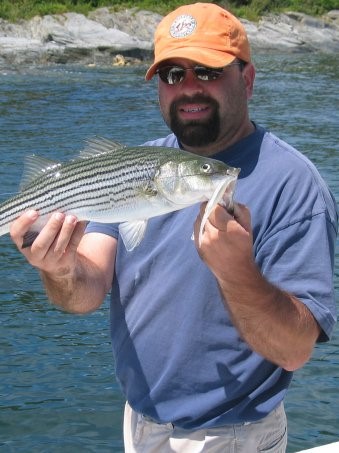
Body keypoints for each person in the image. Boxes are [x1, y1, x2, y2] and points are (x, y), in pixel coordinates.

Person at [9, 3, 338, 452]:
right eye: (172, 75)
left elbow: (294, 350)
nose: (188, 88)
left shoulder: (295, 185)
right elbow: (85, 293)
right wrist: (60, 268)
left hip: (232, 435)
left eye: (207, 71)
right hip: (139, 425)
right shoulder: (136, 162)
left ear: (248, 79)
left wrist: (235, 269)